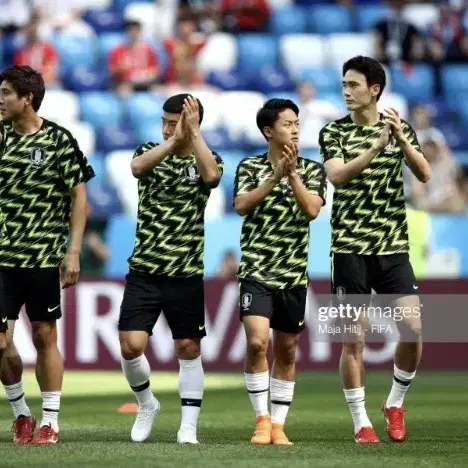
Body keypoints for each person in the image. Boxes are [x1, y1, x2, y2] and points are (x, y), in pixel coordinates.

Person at [319, 56, 431, 444]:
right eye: (344, 84)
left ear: (374, 90)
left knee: (414, 330)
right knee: (355, 339)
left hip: (392, 246)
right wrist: (375, 148)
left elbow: (424, 173)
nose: (346, 91)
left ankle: (395, 402)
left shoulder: (397, 128)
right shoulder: (333, 132)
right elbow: (337, 177)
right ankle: (360, 422)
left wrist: (399, 140)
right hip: (348, 248)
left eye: (353, 85)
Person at [118, 94, 223, 445]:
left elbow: (212, 177)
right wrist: (174, 140)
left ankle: (188, 426)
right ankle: (147, 404)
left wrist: (191, 137)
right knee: (131, 346)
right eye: (163, 120)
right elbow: (137, 168)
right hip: (145, 267)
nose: (165, 128)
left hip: (186, 270)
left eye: (173, 121)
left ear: (192, 123)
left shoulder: (207, 157)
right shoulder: (148, 151)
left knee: (188, 347)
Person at [0, 65, 95, 444]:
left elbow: (79, 197)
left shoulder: (58, 140)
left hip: (41, 256)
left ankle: (50, 421)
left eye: (6, 93)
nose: (0, 99)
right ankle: (22, 413)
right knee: (2, 342)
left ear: (28, 99)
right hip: (2, 258)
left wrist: (73, 251)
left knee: (44, 335)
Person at [233, 99, 326, 446]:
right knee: (257, 342)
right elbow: (241, 205)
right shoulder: (249, 167)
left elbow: (312, 209)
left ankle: (278, 425)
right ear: (269, 132)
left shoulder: (313, 170)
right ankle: (261, 419)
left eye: (297, 124)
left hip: (293, 274)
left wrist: (292, 175)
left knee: (286, 351)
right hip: (257, 269)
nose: (295, 129)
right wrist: (274, 177)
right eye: (288, 124)